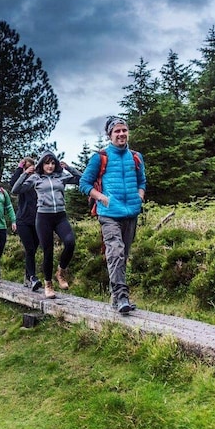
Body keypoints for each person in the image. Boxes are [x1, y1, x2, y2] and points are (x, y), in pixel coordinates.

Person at [79, 116, 146, 314]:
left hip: (131, 212)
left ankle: (116, 297)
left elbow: (142, 180)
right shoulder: (100, 157)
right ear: (110, 135)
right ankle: (123, 296)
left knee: (123, 256)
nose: (121, 134)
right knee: (115, 251)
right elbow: (84, 183)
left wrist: (140, 196)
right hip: (108, 213)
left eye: (124, 130)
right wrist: (101, 197)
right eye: (117, 131)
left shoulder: (136, 156)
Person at [12, 151, 81, 299]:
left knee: (70, 242)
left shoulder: (61, 176)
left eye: (52, 163)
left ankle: (61, 271)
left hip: (60, 216)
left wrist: (69, 168)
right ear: (41, 164)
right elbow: (15, 190)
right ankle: (48, 284)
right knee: (47, 251)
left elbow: (82, 179)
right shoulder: (36, 178)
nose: (50, 166)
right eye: (46, 163)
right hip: (43, 217)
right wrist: (25, 174)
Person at [9, 157, 42, 291]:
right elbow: (13, 185)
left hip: (37, 220)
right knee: (29, 249)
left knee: (33, 249)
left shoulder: (37, 180)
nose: (30, 170)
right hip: (23, 220)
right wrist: (21, 169)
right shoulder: (21, 183)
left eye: (31, 167)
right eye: (27, 168)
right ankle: (33, 277)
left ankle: (28, 276)